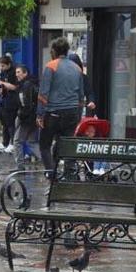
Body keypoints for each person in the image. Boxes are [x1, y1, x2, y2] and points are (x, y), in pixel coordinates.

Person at [37, 37, 84, 178]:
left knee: (44, 145)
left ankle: (52, 177)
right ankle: (70, 176)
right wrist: (79, 115)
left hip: (53, 113)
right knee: (67, 145)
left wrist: (39, 115)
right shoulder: (77, 68)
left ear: (54, 51)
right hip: (72, 113)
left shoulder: (51, 66)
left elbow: (43, 93)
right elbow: (81, 96)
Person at [13, 64, 40, 172]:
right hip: (33, 116)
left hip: (27, 118)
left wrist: (21, 116)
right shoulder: (30, 84)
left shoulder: (26, 85)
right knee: (32, 142)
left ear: (25, 73)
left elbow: (26, 103)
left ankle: (20, 167)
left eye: (19, 72)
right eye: (16, 72)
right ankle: (50, 162)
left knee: (17, 141)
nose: (17, 75)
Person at [0, 55, 20, 152]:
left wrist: (2, 84)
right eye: (0, 66)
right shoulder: (3, 73)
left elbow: (15, 87)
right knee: (5, 124)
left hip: (12, 101)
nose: (1, 68)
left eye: (3, 66)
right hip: (4, 100)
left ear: (9, 64)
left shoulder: (14, 73)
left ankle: (12, 143)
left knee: (11, 123)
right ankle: (5, 143)